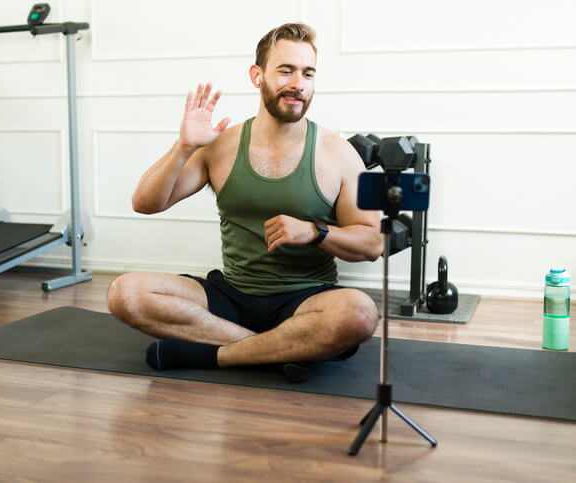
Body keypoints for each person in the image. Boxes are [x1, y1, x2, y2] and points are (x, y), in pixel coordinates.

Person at [107, 23, 383, 380]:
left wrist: (317, 232)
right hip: (231, 296)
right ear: (257, 76)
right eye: (286, 70)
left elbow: (373, 242)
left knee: (359, 313)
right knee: (125, 293)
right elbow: (145, 203)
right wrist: (184, 148)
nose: (298, 83)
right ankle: (276, 352)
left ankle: (217, 356)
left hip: (305, 301)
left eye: (308, 73)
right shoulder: (221, 145)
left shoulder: (338, 153)